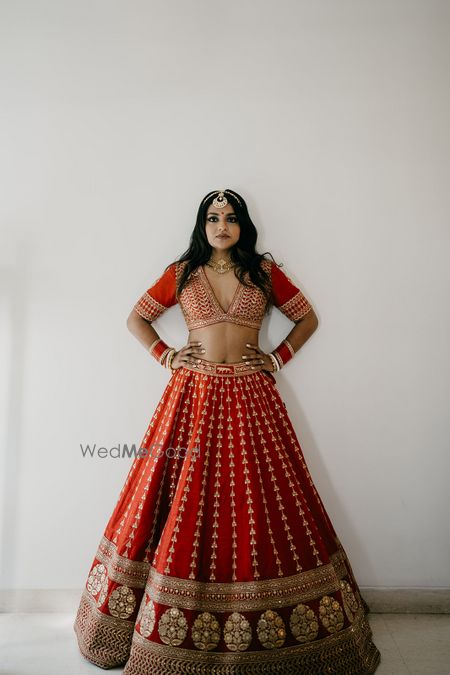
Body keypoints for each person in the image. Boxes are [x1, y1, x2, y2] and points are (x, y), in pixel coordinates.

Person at [73, 189, 381, 673]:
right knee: (175, 498)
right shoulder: (182, 273)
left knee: (259, 499)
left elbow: (308, 318)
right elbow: (137, 318)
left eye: (231, 218)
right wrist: (167, 355)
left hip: (250, 398)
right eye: (213, 218)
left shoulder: (263, 272)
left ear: (243, 225)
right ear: (202, 225)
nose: (222, 226)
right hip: (190, 398)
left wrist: (277, 358)